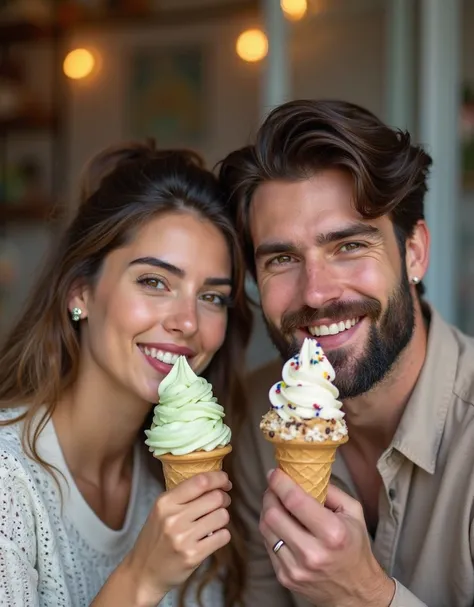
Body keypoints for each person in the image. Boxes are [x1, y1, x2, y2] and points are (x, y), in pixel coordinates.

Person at [218, 99, 474, 607]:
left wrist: (364, 594)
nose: (316, 292)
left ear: (414, 252)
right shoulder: (255, 419)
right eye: (283, 258)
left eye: (349, 246)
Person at [0, 140, 252, 606]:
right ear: (81, 293)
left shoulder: (173, 479)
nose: (188, 322)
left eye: (212, 296)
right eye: (154, 282)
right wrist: (140, 578)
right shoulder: (8, 481)